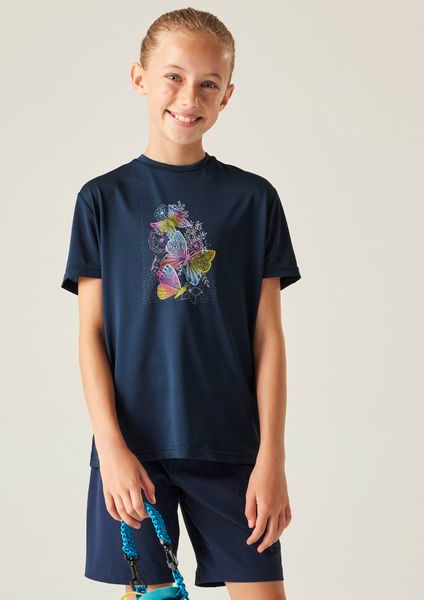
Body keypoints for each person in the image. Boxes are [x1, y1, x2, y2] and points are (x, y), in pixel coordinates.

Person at [61, 8, 302, 600]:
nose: (189, 97)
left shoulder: (253, 200)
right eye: (173, 76)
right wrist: (111, 449)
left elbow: (268, 338)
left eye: (208, 83)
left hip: (231, 448)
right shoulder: (102, 200)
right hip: (133, 450)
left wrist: (271, 459)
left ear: (227, 95)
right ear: (139, 77)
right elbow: (90, 335)